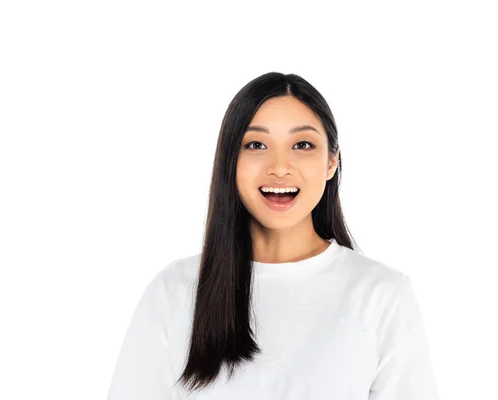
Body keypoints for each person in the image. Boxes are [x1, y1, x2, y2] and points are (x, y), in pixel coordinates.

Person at [106, 72, 440, 399]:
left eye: (302, 144)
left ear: (331, 162)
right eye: (256, 144)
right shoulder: (174, 292)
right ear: (230, 161)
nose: (280, 167)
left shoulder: (382, 296)